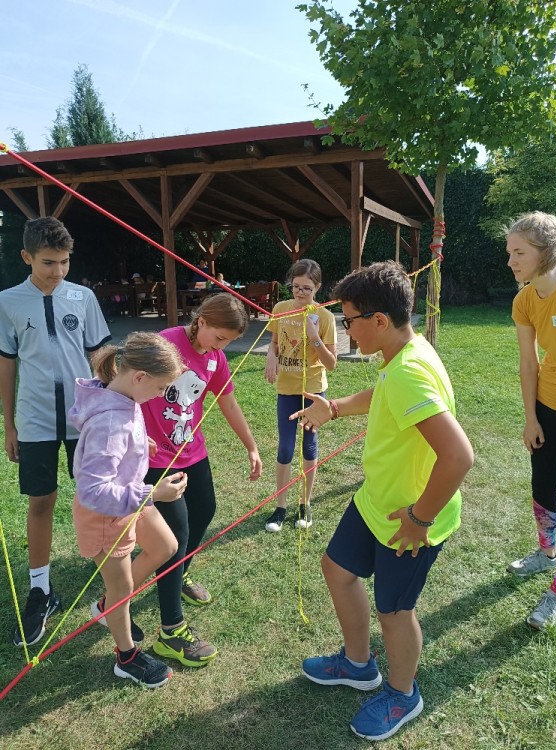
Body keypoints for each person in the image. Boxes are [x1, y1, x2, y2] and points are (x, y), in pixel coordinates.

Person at [294, 262, 474, 741]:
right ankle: (358, 664)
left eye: (349, 320)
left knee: (394, 612)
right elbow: (383, 393)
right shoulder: (403, 354)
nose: (346, 330)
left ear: (378, 320)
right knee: (337, 569)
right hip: (376, 500)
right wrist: (335, 408)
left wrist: (419, 518)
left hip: (409, 517)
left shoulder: (410, 370)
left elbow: (458, 456)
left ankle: (402, 693)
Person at [0, 217, 111, 648]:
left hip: (84, 419)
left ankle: (112, 575)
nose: (59, 271)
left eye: (65, 262)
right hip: (35, 420)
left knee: (96, 496)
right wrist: (9, 424)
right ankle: (40, 590)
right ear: (26, 257)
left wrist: (111, 411)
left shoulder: (82, 297)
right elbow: (7, 365)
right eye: (49, 262)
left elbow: (101, 358)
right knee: (41, 500)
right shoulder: (8, 301)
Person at [141, 293, 262, 667]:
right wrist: (131, 437)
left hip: (191, 451)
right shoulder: (165, 343)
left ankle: (178, 573)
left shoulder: (216, 359)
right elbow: (129, 386)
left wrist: (251, 447)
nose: (221, 347)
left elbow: (229, 403)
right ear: (202, 321)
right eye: (220, 337)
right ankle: (171, 632)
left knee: (205, 510)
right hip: (155, 457)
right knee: (174, 535)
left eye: (228, 341)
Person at [70, 333, 186, 687]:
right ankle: (127, 656)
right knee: (122, 588)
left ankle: (108, 605)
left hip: (129, 498)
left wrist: (137, 442)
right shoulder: (109, 424)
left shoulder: (120, 396)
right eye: (160, 388)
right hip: (107, 515)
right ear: (139, 376)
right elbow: (93, 491)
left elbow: (119, 437)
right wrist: (154, 493)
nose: (161, 395)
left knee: (165, 546)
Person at [505, 211, 556, 630]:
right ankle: (547, 554)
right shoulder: (524, 300)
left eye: (519, 252)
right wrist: (531, 418)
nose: (510, 261)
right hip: (547, 407)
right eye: (509, 252)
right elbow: (529, 363)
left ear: (546, 252)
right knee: (543, 487)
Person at [264, 258, 337, 532]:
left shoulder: (325, 317)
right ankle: (280, 507)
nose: (300, 292)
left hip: (313, 391)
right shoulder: (280, 309)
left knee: (309, 446)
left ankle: (305, 504)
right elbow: (274, 342)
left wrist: (314, 336)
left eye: (306, 288)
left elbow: (331, 363)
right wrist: (271, 356)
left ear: (317, 287)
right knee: (285, 448)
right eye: (295, 287)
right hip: (287, 389)